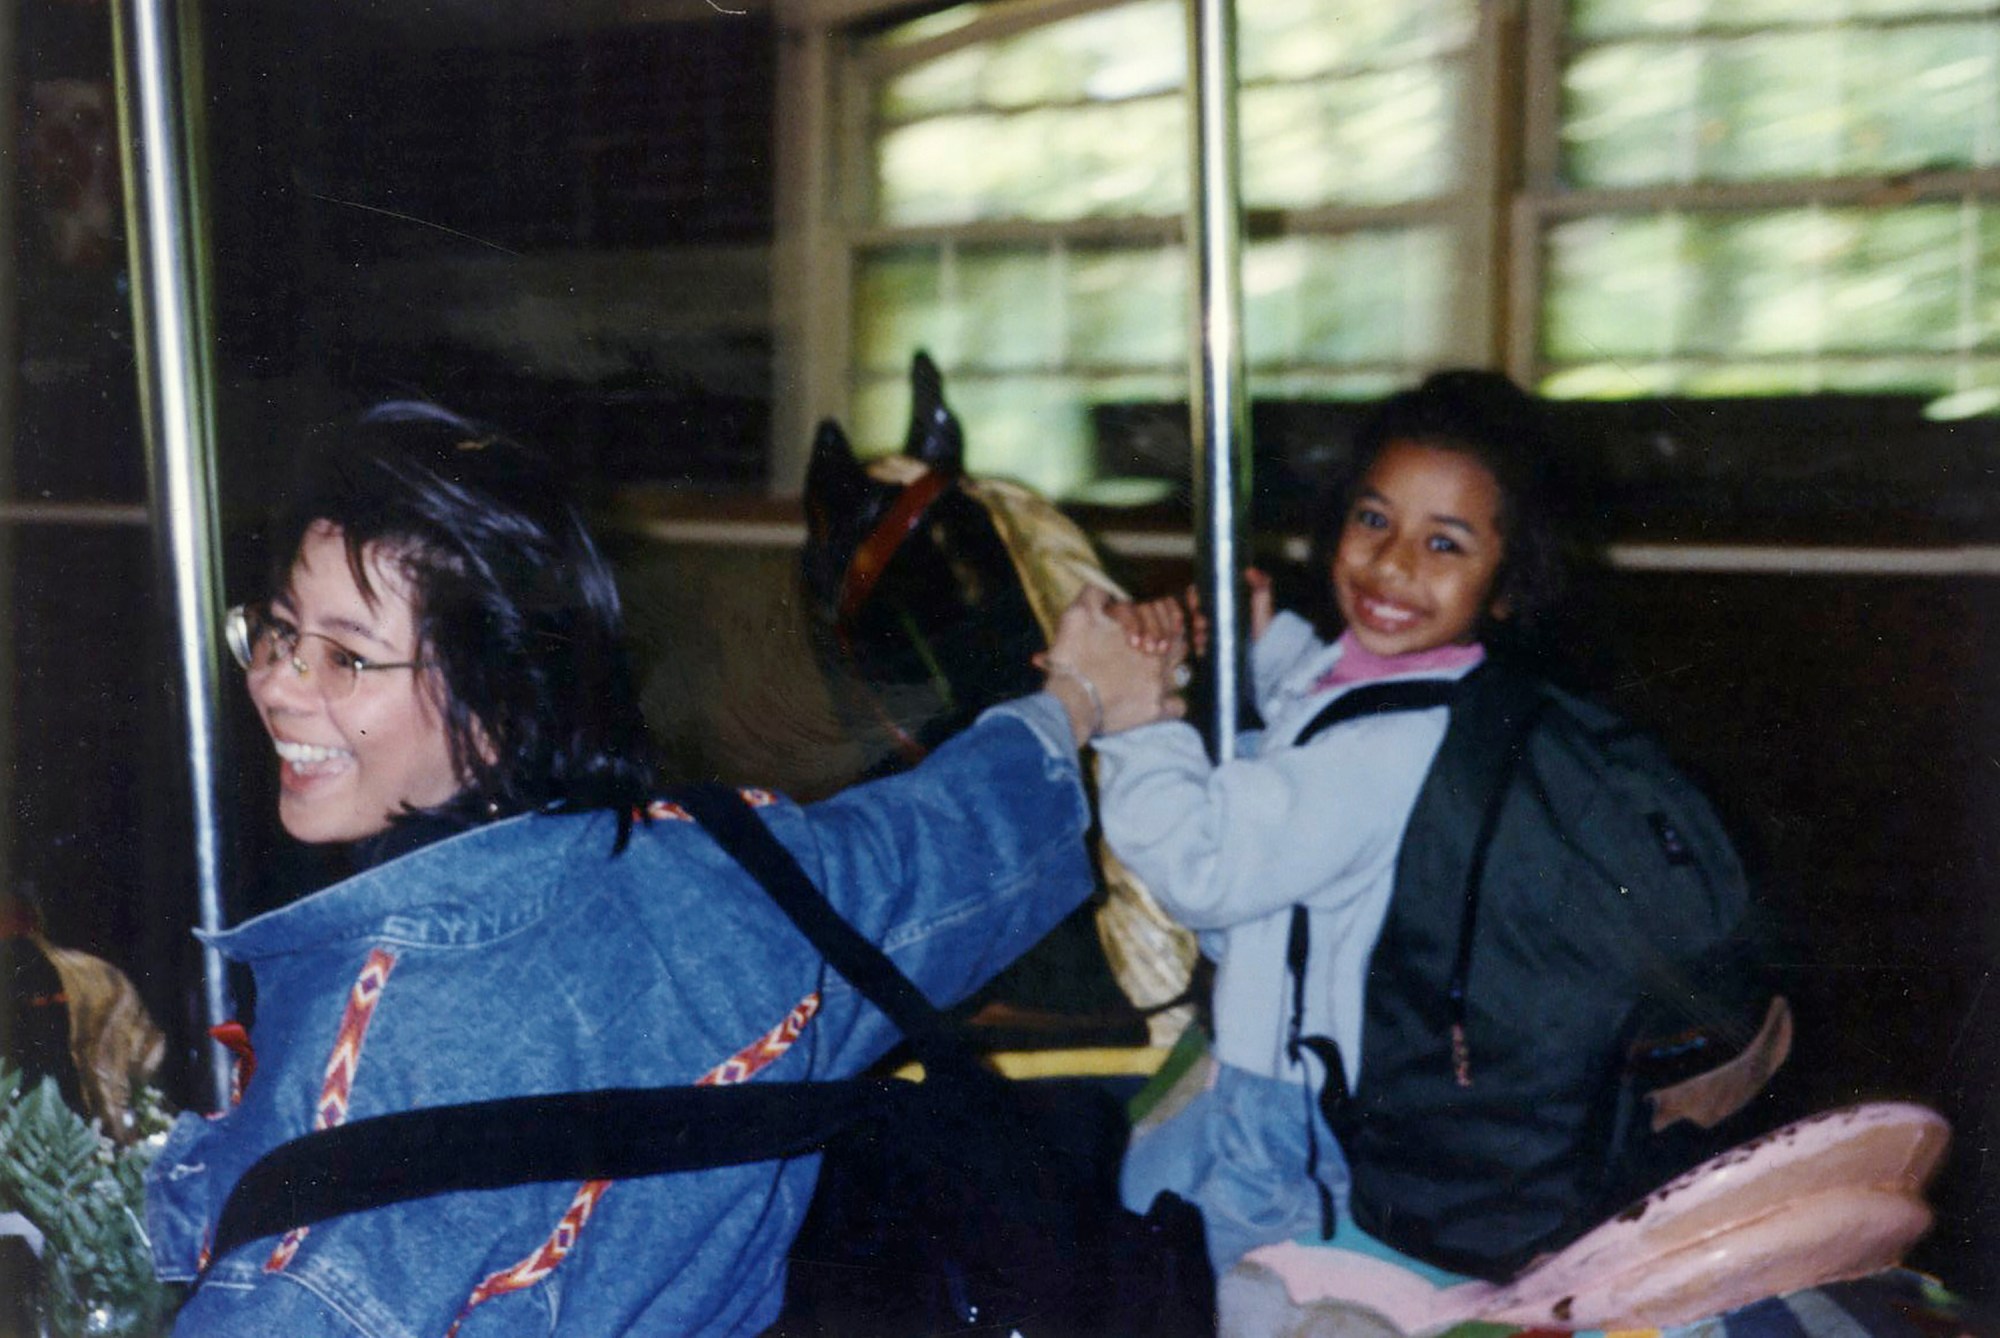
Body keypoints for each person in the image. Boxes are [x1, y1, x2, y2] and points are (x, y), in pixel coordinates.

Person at [143, 403, 1182, 1336]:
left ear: (501, 701)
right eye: (277, 632)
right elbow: (940, 845)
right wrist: (1077, 704)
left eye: (346, 655)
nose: (279, 685)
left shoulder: (369, 1051)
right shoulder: (727, 868)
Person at [1097, 370, 1569, 1275]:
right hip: (1296, 1076)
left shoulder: (1388, 749)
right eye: (1373, 520)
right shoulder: (1431, 688)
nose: (1393, 565)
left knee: (1190, 1286)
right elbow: (1326, 707)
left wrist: (1138, 723)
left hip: (1289, 1108)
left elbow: (1205, 865)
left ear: (1508, 584)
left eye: (1445, 543)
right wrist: (1268, 643)